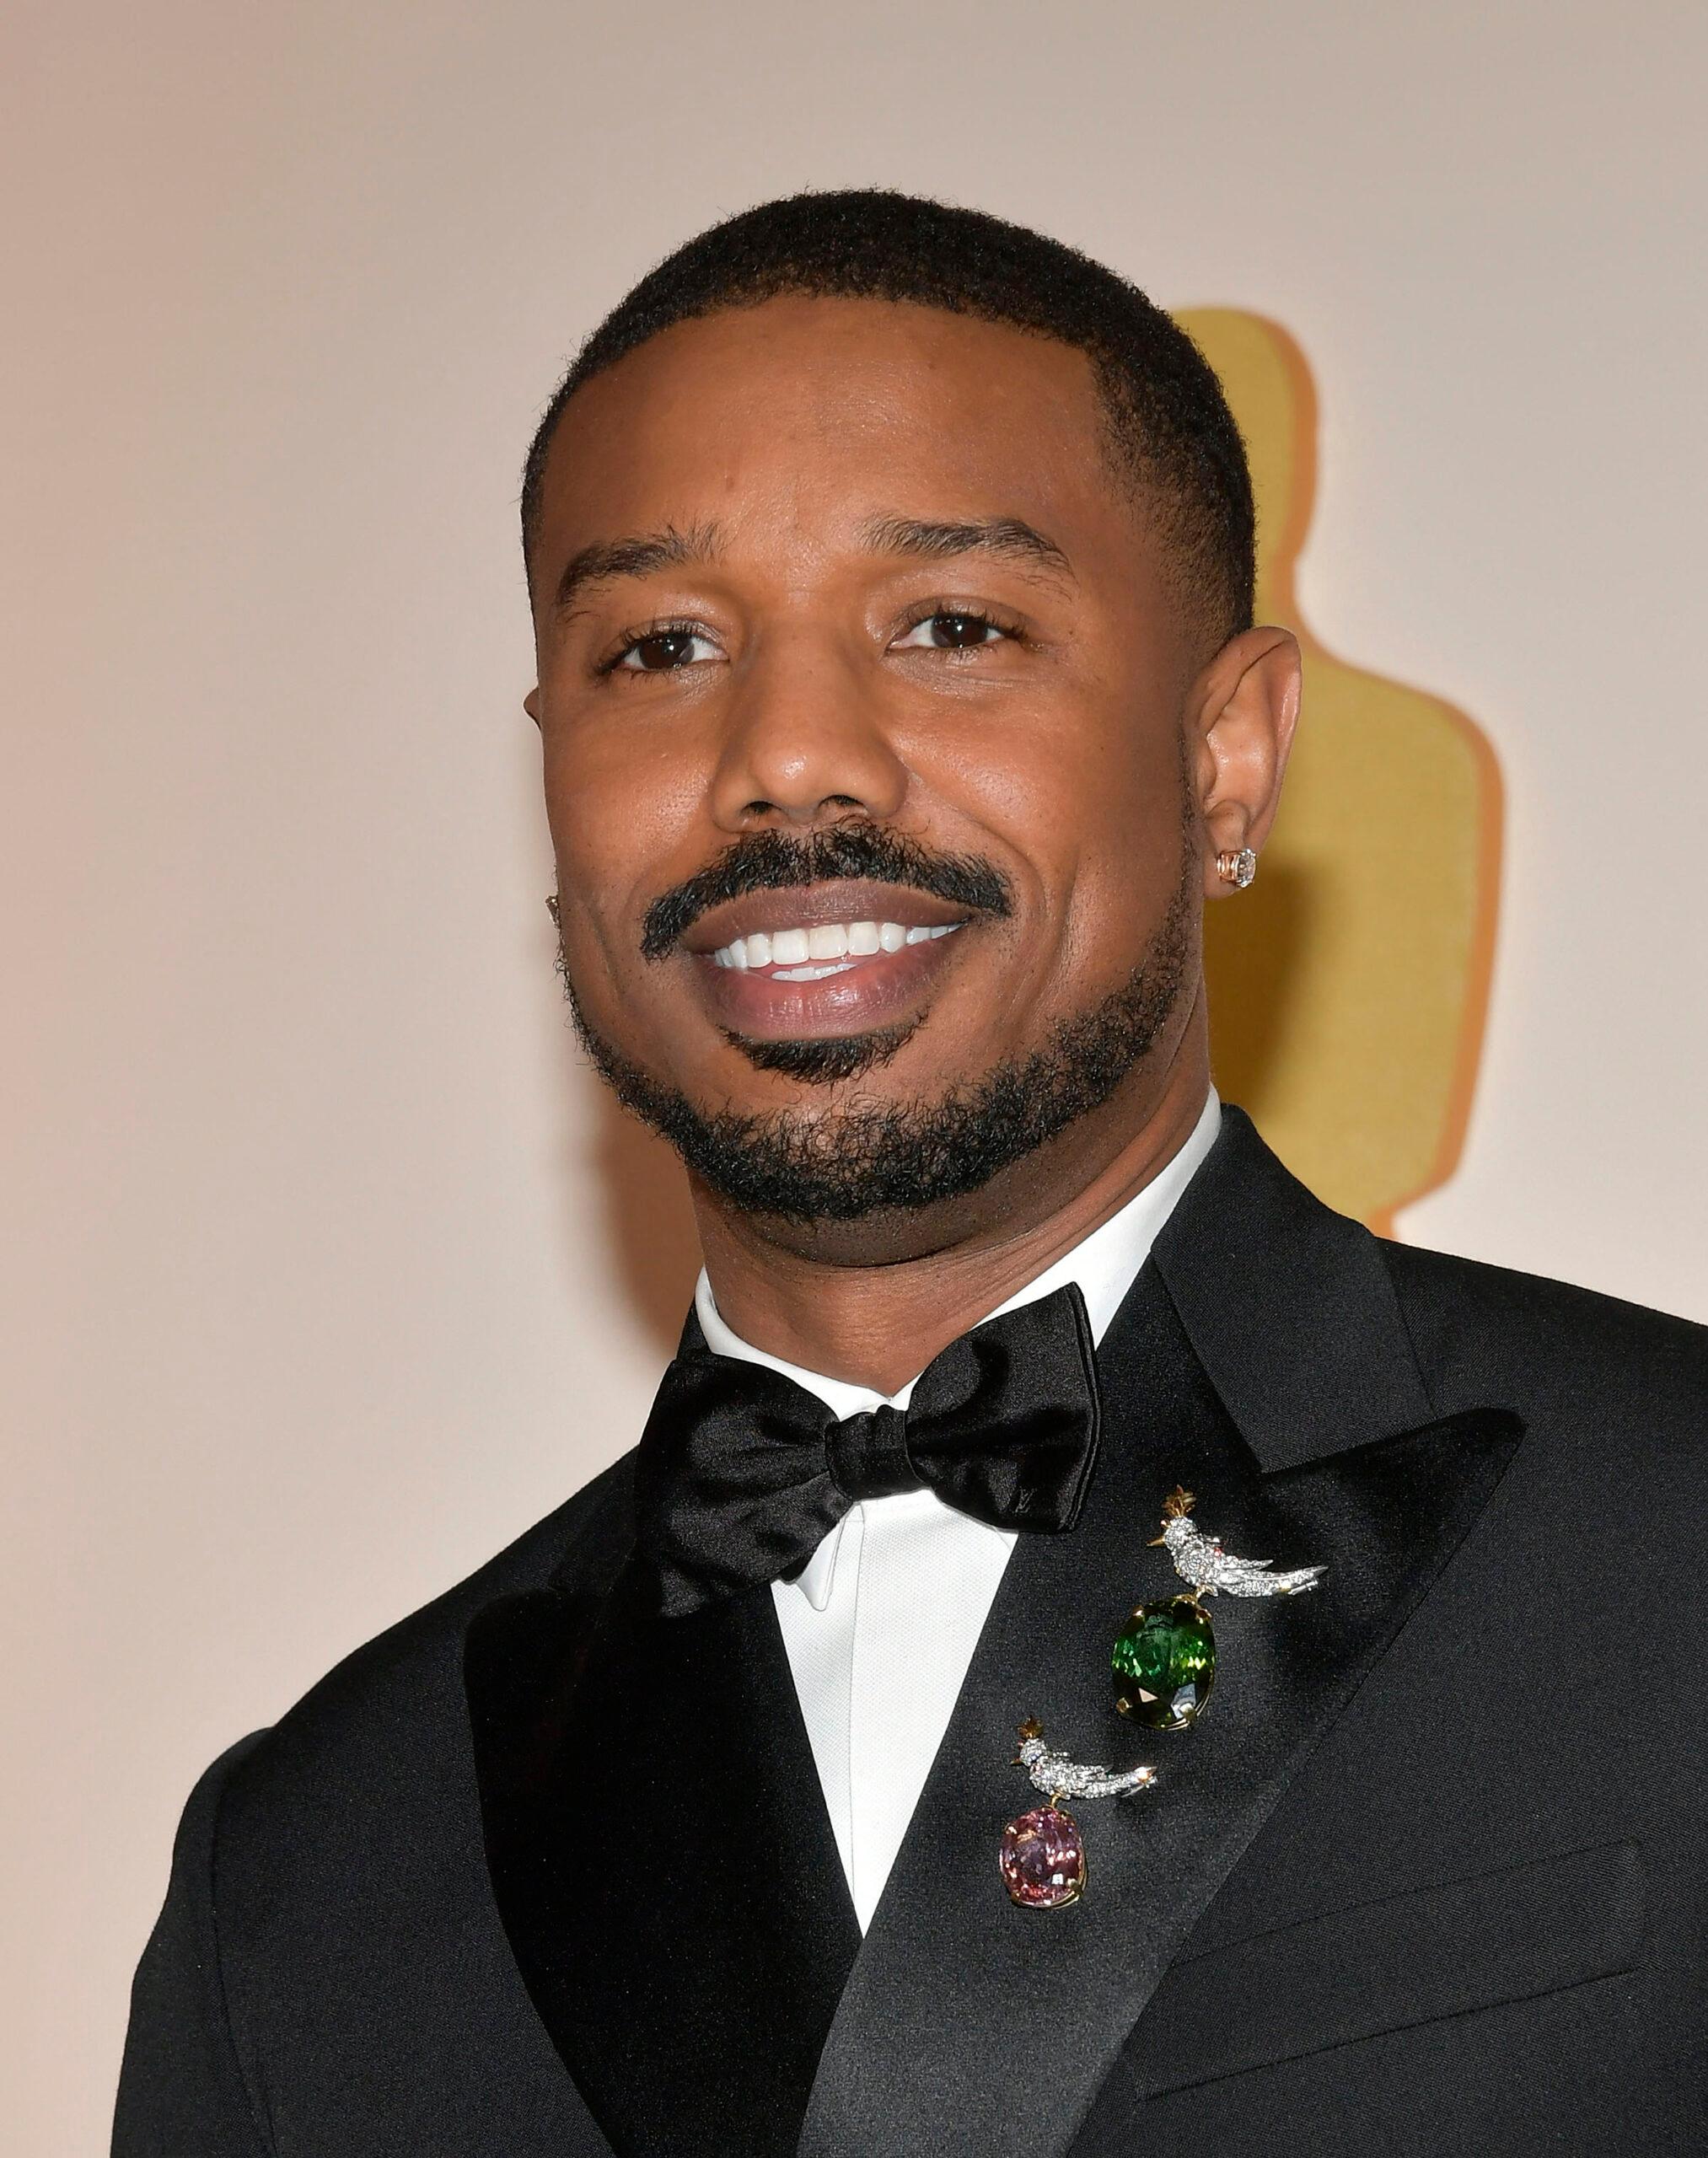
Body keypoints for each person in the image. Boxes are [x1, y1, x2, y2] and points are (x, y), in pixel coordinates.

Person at [114, 191, 1705, 2158]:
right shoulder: (309, 1860)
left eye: (950, 626)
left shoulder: (1672, 1546)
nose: (786, 756)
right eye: (659, 645)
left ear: (1222, 756)